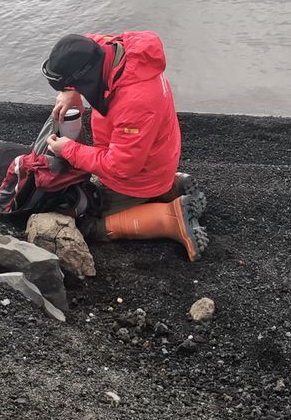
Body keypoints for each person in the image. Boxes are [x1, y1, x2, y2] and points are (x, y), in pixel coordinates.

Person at [40, 31, 208, 260]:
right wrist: (71, 92)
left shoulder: (135, 100)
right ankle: (169, 187)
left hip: (138, 174)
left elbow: (121, 166)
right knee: (102, 180)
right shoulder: (115, 50)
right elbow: (85, 43)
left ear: (87, 76)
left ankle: (170, 218)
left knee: (86, 219)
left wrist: (69, 149)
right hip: (157, 156)